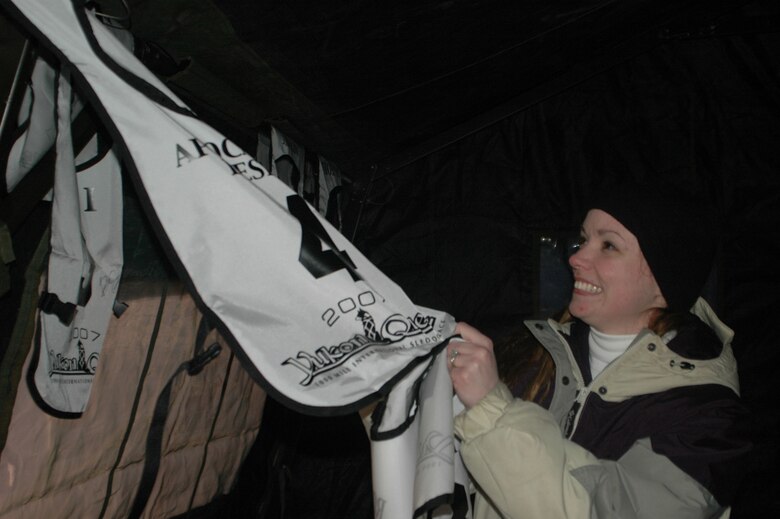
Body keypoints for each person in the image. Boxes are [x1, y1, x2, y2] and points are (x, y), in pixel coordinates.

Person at [447, 182, 750, 519]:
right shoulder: (536, 350)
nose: (575, 258)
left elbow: (602, 511)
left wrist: (490, 411)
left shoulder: (709, 422)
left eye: (608, 245)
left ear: (663, 280)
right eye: (583, 240)